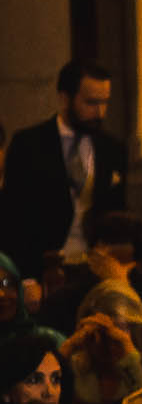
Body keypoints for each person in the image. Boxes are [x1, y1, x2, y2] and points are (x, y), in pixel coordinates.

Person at [0, 60, 128, 270]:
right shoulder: (28, 144)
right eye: (91, 103)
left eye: (105, 102)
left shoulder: (113, 148)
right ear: (64, 98)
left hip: (95, 268)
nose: (101, 113)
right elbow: (12, 218)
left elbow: (117, 213)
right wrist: (26, 278)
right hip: (42, 266)